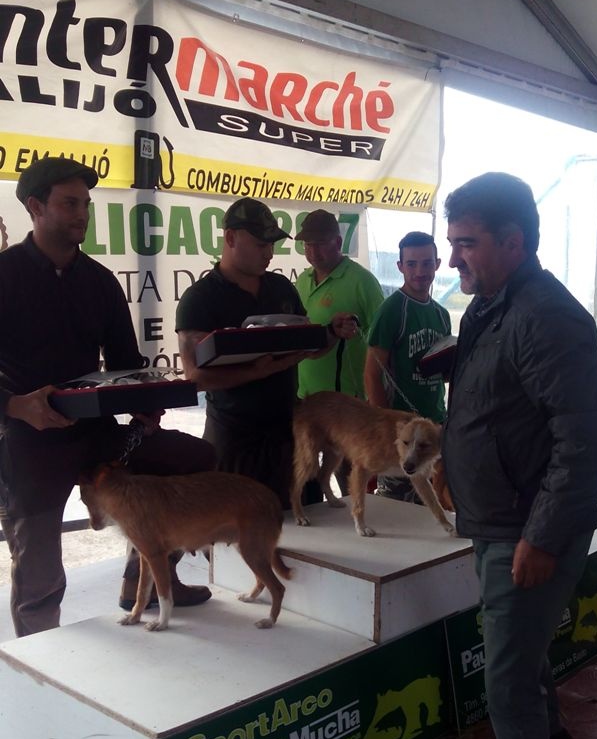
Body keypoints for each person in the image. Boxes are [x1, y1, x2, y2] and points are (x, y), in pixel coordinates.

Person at [441, 172, 597, 739]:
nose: (453, 258)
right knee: (521, 642)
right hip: (498, 516)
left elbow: (586, 440)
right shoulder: (493, 305)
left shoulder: (544, 315)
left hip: (525, 525)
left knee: (507, 676)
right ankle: (551, 730)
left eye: (466, 243)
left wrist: (541, 537)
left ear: (513, 242)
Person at [0, 157, 215, 637]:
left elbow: (126, 362)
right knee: (39, 569)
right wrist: (16, 405)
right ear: (35, 207)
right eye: (69, 204)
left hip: (97, 434)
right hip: (29, 441)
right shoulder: (5, 275)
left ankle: (147, 577)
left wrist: (146, 402)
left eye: (86, 204)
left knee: (195, 457)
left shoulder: (98, 281)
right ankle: (41, 651)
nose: (82, 214)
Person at [175, 198, 357, 509]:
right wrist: (259, 371)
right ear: (230, 238)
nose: (269, 253)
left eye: (272, 245)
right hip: (235, 440)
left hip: (291, 435)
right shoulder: (200, 298)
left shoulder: (281, 288)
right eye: (261, 244)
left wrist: (330, 332)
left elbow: (308, 350)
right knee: (238, 531)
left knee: (309, 527)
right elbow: (196, 376)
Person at [364, 230, 451, 501]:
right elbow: (372, 374)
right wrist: (387, 429)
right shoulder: (392, 310)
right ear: (400, 266)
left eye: (427, 263)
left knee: (435, 504)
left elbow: (442, 371)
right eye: (412, 264)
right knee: (398, 507)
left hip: (434, 425)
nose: (420, 271)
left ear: (437, 264)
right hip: (403, 431)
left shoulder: (441, 314)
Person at [294, 209, 385, 401]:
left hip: (349, 402)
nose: (313, 252)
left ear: (338, 242)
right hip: (305, 397)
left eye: (320, 244)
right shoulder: (302, 280)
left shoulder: (363, 281)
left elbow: (384, 341)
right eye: (308, 244)